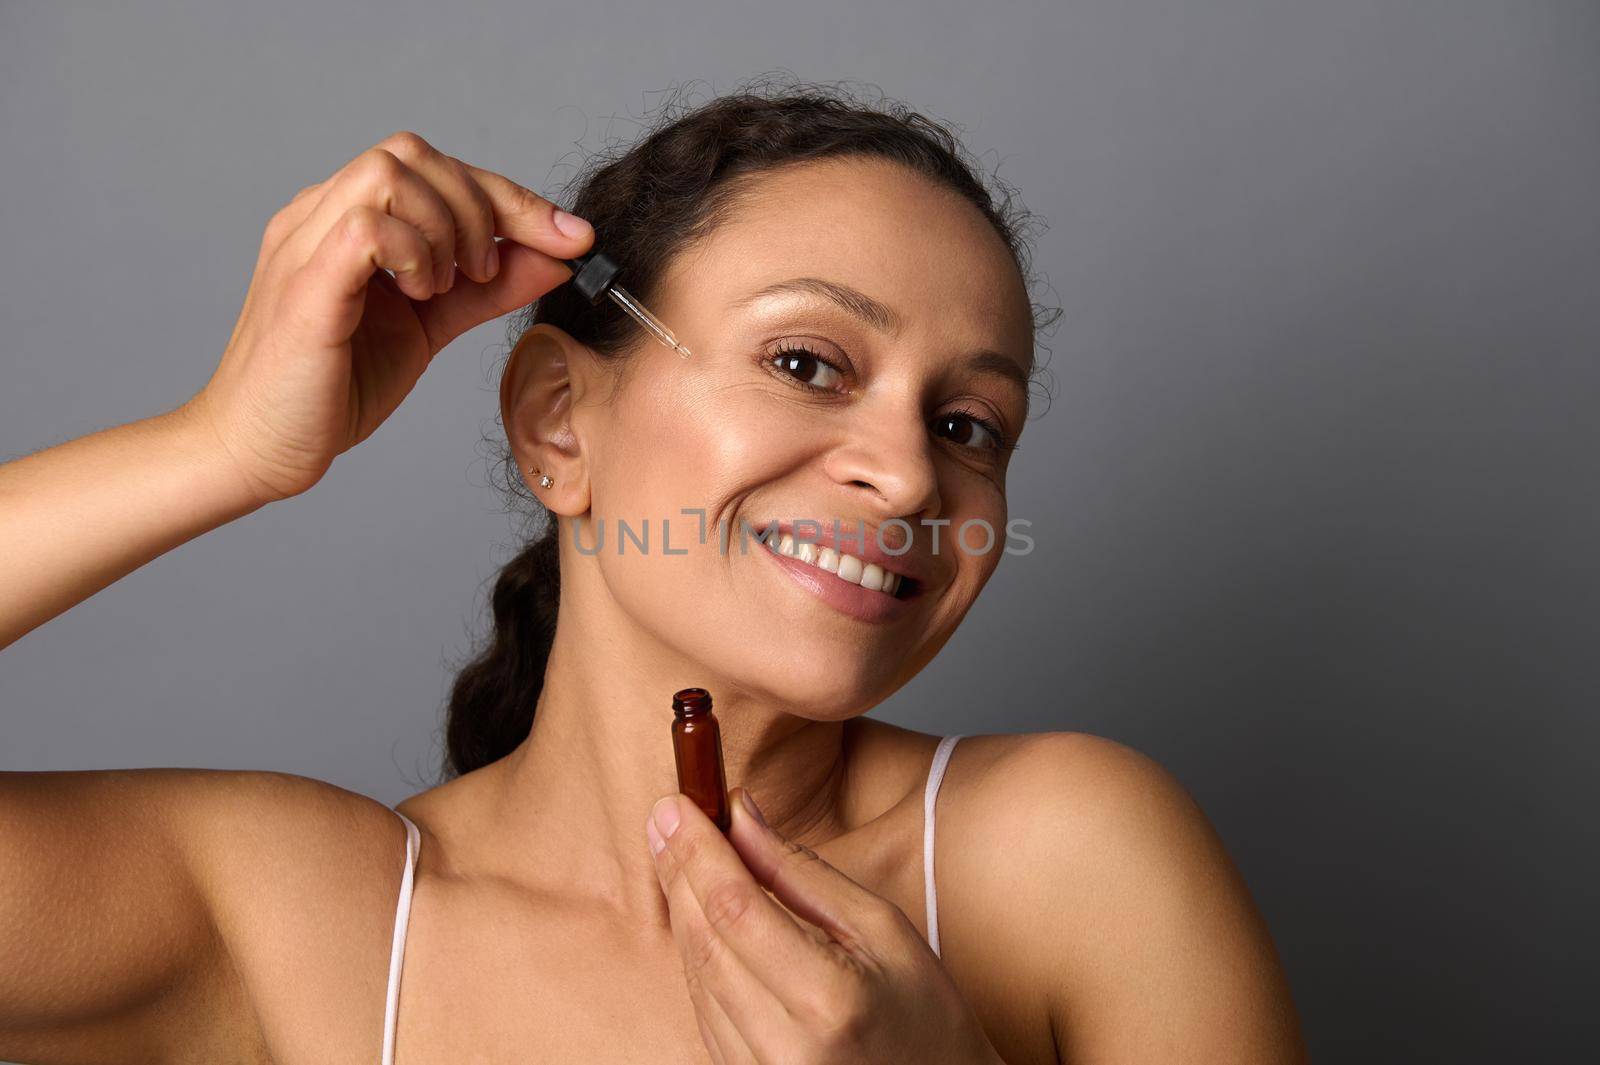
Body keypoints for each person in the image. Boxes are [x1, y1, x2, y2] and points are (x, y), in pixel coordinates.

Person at [0, 83, 1306, 1063]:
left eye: (971, 425)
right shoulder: (306, 924)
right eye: (809, 362)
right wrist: (222, 445)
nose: (909, 476)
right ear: (560, 423)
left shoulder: (1064, 854)